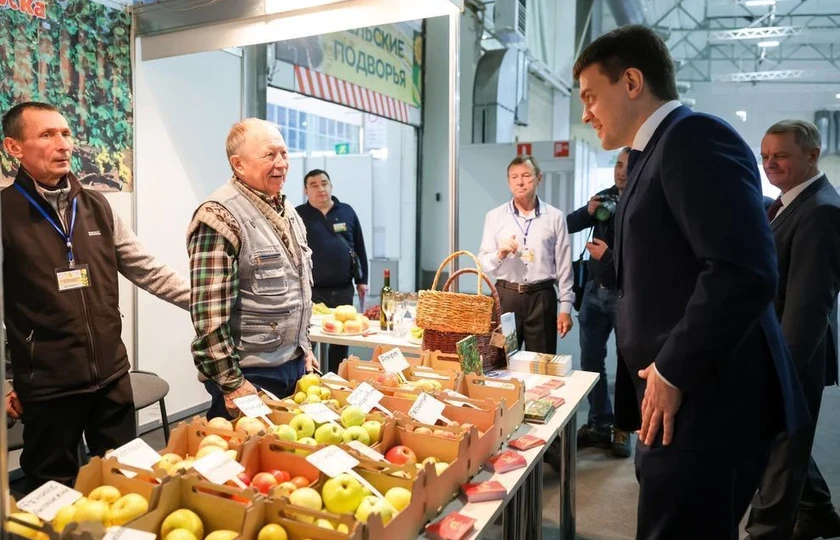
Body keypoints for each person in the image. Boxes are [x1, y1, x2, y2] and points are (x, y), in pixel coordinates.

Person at [573, 26, 809, 539]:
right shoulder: (650, 153)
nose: (585, 112)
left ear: (631, 82)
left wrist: (672, 370)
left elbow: (742, 269)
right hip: (677, 399)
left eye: (590, 96)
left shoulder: (695, 137)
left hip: (706, 399)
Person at [1, 102, 190, 492]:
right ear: (14, 147)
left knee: (126, 481)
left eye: (66, 133)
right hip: (48, 386)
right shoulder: (5, 213)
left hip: (111, 376)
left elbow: (145, 267)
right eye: (47, 135)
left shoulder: (95, 206)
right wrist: (5, 384)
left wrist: (204, 303)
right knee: (53, 491)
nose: (63, 144)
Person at [746, 120, 840, 540]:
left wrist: (779, 372)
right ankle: (818, 512)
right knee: (785, 439)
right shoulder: (790, 203)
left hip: (793, 353)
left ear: (812, 154)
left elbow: (808, 306)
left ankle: (766, 533)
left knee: (780, 448)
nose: (770, 164)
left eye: (780, 155)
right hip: (776, 348)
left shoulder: (821, 210)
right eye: (765, 156)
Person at [188, 118, 318, 420]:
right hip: (250, 376)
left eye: (283, 153)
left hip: (294, 368)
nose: (281, 163)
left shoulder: (288, 212)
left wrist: (304, 348)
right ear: (238, 164)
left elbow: (297, 290)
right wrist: (232, 384)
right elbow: (209, 316)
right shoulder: (218, 217)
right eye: (269, 155)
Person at [566, 147, 634, 458]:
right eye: (618, 164)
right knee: (590, 361)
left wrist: (608, 256)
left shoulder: (644, 200)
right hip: (594, 291)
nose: (622, 171)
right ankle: (599, 424)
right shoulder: (604, 196)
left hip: (624, 293)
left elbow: (643, 255)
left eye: (628, 166)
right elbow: (568, 224)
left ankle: (623, 426)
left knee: (626, 364)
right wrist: (587, 211)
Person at [478, 155, 575, 354]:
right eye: (514, 177)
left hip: (542, 297)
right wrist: (500, 254)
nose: (520, 182)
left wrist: (566, 308)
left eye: (526, 176)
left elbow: (565, 267)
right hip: (505, 297)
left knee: (542, 360)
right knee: (499, 357)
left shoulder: (555, 217)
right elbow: (483, 262)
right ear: (508, 182)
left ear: (539, 178)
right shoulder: (495, 217)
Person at [296, 169, 368, 372]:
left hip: (343, 288)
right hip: (311, 291)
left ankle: (336, 380)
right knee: (309, 340)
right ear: (306, 190)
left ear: (331, 186)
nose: (321, 188)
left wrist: (362, 280)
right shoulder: (298, 214)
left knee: (340, 341)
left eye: (324, 183)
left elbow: (359, 246)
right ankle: (310, 378)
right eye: (314, 185)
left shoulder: (346, 211)